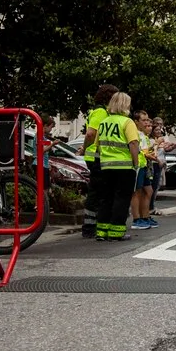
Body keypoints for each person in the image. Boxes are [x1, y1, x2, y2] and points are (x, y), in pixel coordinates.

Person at [94, 92, 139, 242]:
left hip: (106, 166)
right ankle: (116, 231)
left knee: (106, 198)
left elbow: (98, 145)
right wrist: (135, 163)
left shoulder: (103, 122)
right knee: (121, 199)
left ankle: (101, 231)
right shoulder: (127, 122)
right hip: (124, 167)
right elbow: (133, 143)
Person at [78, 84, 119, 238]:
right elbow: (90, 134)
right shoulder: (100, 112)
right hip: (95, 158)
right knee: (96, 193)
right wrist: (84, 148)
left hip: (97, 157)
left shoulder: (102, 111)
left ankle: (94, 225)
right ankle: (89, 227)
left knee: (99, 192)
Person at [130, 111, 157, 230]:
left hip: (144, 165)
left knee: (148, 191)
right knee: (137, 192)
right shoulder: (134, 133)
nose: (146, 123)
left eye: (147, 120)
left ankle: (145, 216)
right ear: (136, 122)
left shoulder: (142, 134)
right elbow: (138, 149)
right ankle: (136, 219)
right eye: (144, 120)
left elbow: (145, 150)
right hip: (138, 165)